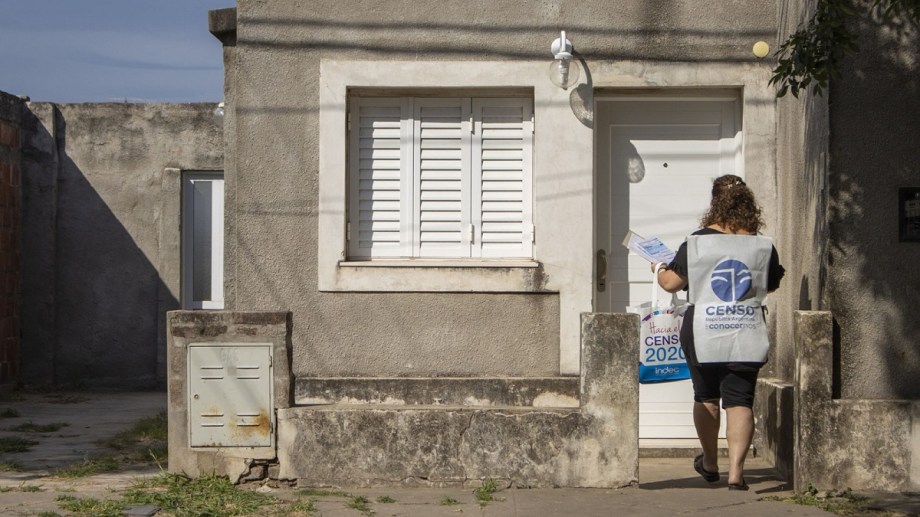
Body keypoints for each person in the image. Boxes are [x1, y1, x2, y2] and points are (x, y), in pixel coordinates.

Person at [653, 174, 784, 491]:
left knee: (706, 396)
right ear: (748, 203)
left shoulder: (698, 242)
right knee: (740, 400)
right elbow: (770, 284)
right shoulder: (761, 244)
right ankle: (736, 473)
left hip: (703, 329)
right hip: (746, 327)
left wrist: (658, 268)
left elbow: (670, 283)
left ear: (715, 203)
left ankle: (710, 463)